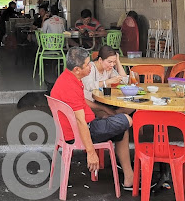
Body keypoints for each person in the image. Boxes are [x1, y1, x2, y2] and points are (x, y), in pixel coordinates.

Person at [50, 47, 135, 190]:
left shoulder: (67, 78)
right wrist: (91, 153)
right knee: (126, 120)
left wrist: (104, 109)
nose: (91, 67)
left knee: (120, 126)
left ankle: (129, 177)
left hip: (77, 129)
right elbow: (80, 121)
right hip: (83, 131)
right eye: (87, 64)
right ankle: (129, 176)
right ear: (77, 69)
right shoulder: (71, 85)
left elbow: (82, 101)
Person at [82, 46, 134, 118]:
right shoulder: (90, 68)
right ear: (100, 60)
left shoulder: (108, 68)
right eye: (109, 62)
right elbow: (89, 86)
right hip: (91, 104)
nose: (112, 65)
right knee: (110, 116)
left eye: (114, 62)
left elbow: (124, 81)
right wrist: (107, 82)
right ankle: (115, 116)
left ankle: (115, 115)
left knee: (131, 107)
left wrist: (118, 62)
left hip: (104, 102)